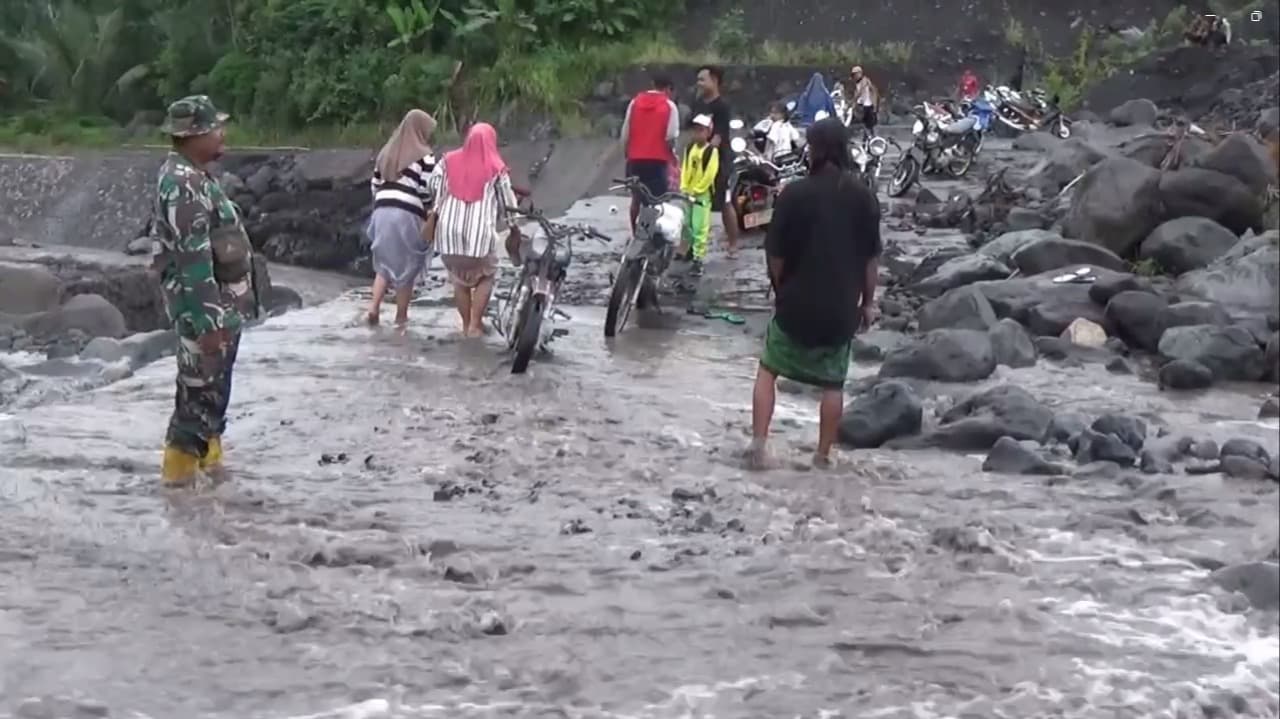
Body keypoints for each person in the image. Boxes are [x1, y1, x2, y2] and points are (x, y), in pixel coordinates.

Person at [748, 117, 882, 470]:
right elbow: (871, 259)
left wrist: (781, 290)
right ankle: (823, 455)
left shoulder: (795, 194)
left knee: (767, 370)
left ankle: (759, 447)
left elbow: (774, 254)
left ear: (815, 150)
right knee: (833, 384)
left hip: (795, 305)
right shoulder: (864, 198)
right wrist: (867, 304)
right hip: (840, 312)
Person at [153, 95, 258, 485]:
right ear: (194, 135)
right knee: (196, 404)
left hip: (220, 311)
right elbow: (192, 260)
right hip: (205, 315)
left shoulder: (195, 176)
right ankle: (177, 492)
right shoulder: (182, 185)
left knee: (212, 399)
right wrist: (209, 322)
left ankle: (210, 479)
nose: (222, 134)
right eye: (215, 128)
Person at [428, 122, 519, 338]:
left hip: (448, 235)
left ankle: (466, 324)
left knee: (459, 279)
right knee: (486, 277)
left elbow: (433, 186)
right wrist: (512, 225)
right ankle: (475, 325)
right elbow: (507, 201)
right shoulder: (496, 167)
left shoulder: (447, 161)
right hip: (479, 237)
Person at [366, 109, 437, 327]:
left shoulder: (386, 152)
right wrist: (428, 212)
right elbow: (426, 189)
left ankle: (373, 307)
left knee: (384, 263)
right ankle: (401, 317)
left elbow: (375, 185)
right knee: (408, 265)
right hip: (406, 212)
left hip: (381, 210)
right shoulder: (425, 156)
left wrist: (383, 202)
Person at [620, 73, 680, 234]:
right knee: (658, 201)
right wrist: (673, 158)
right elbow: (671, 137)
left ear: (653, 85)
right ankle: (653, 234)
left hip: (635, 160)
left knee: (636, 199)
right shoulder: (669, 106)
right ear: (669, 89)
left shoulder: (634, 103)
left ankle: (635, 234)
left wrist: (628, 155)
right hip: (657, 161)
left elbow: (625, 134)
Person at [692, 65, 740, 257]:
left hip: (720, 161)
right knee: (693, 202)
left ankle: (733, 244)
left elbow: (718, 136)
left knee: (725, 202)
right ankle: (690, 244)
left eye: (702, 79)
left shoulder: (722, 107)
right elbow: (693, 131)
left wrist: (708, 153)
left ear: (715, 81)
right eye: (698, 79)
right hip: (698, 160)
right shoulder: (698, 104)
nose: (699, 83)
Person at [679, 114, 720, 277]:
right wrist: (684, 186)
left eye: (701, 131)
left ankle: (698, 259)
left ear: (708, 132)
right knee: (686, 224)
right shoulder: (690, 148)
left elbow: (710, 174)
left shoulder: (711, 151)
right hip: (688, 193)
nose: (697, 134)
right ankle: (689, 250)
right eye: (695, 130)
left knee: (699, 227)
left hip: (701, 196)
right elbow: (686, 168)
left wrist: (698, 190)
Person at [845, 65, 879, 136]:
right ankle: (867, 139)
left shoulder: (865, 80)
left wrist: (852, 103)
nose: (854, 76)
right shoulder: (858, 83)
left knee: (869, 125)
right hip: (863, 106)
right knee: (865, 124)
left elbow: (859, 93)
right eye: (853, 75)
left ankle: (872, 140)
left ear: (860, 73)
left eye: (855, 74)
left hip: (868, 105)